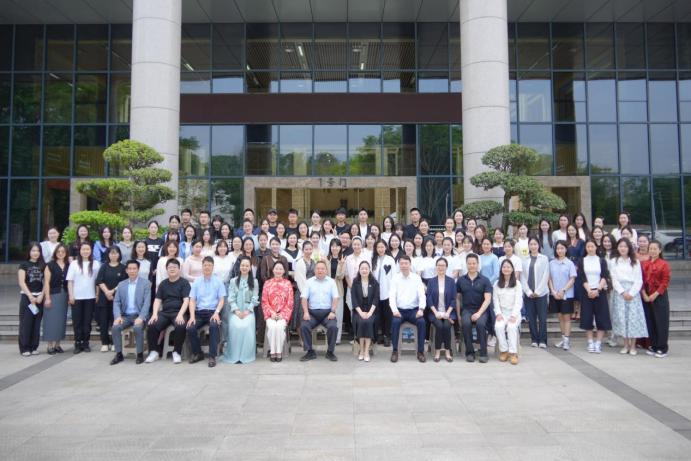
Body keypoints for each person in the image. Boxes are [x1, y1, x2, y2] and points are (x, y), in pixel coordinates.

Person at [144, 259, 190, 364]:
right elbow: (157, 300)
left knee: (180, 325)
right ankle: (154, 351)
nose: (172, 269)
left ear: (179, 269)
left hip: (179, 312)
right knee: (152, 324)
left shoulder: (184, 283)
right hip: (165, 313)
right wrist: (154, 314)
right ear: (166, 269)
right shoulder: (163, 284)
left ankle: (177, 352)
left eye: (174, 267)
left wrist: (180, 314)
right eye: (170, 267)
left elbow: (186, 300)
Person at [110, 260, 151, 365]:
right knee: (115, 327)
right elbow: (116, 302)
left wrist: (141, 317)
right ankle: (119, 354)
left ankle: (140, 354)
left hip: (139, 315)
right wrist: (117, 316)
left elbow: (147, 303)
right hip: (125, 316)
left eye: (134, 269)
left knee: (137, 327)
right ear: (126, 270)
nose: (132, 271)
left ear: (138, 270)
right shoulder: (121, 284)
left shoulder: (145, 283)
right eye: (130, 269)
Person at [187, 257, 226, 367]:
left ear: (213, 267)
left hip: (213, 312)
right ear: (202, 266)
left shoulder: (218, 281)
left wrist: (217, 312)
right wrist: (192, 316)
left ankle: (212, 356)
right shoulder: (197, 281)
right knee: (190, 327)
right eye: (205, 265)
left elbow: (222, 299)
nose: (207, 267)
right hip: (199, 312)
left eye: (209, 265)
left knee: (214, 326)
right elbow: (192, 300)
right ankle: (198, 353)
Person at [610, 238, 647, 355]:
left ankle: (633, 346)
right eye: (620, 246)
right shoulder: (614, 261)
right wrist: (622, 292)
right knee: (622, 319)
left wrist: (631, 293)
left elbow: (639, 280)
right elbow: (614, 279)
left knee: (633, 319)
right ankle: (625, 345)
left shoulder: (635, 261)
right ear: (617, 248)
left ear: (629, 248)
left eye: (625, 246)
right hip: (620, 293)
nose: (623, 248)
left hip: (633, 293)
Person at [299, 261, 340, 362]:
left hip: (327, 313)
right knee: (304, 326)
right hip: (312, 313)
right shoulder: (309, 282)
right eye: (318, 268)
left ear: (326, 270)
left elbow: (335, 298)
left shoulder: (331, 282)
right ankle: (310, 352)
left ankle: (330, 352)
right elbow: (304, 298)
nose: (320, 270)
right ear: (314, 270)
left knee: (333, 327)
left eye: (322, 269)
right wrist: (306, 312)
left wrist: (333, 311)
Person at [389, 255, 427, 363]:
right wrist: (394, 310)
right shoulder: (395, 278)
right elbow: (392, 296)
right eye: (401, 263)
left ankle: (420, 351)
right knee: (395, 323)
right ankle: (395, 351)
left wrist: (421, 309)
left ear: (410, 265)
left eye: (406, 263)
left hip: (413, 311)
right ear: (399, 265)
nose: (404, 265)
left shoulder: (416, 278)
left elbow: (422, 295)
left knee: (422, 322)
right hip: (399, 311)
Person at [456, 254, 492, 363]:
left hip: (481, 310)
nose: (472, 265)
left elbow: (487, 300)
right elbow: (457, 299)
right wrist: (458, 315)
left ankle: (483, 353)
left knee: (481, 324)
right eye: (469, 263)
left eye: (474, 263)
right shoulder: (461, 280)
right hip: (467, 310)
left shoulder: (485, 280)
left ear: (477, 264)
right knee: (466, 323)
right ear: (466, 264)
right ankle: (470, 352)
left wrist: (479, 313)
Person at [578, 239, 612, 354]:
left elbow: (604, 275)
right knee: (587, 317)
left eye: (592, 246)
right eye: (588, 246)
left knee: (601, 317)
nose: (590, 248)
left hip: (600, 292)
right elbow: (582, 277)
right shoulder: (582, 260)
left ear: (596, 247)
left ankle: (598, 342)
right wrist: (589, 290)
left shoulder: (601, 260)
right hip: (586, 291)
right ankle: (590, 342)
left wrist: (598, 289)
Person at [66, 242, 100, 353]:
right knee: (77, 322)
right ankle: (77, 343)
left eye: (87, 249)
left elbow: (98, 281)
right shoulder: (74, 264)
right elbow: (70, 281)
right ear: (80, 251)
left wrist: (97, 294)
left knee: (87, 321)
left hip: (90, 297)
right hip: (76, 297)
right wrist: (71, 295)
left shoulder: (95, 264)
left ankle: (86, 343)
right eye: (83, 249)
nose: (85, 251)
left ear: (91, 251)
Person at [224, 256, 258, 364]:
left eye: (247, 266)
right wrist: (237, 311)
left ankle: (246, 355)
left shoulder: (254, 282)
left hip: (248, 311)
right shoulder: (233, 281)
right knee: (236, 326)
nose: (244, 267)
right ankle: (235, 355)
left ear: (250, 268)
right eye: (242, 265)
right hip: (236, 311)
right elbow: (231, 298)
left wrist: (248, 311)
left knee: (246, 326)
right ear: (239, 267)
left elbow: (255, 298)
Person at [641, 240, 671, 358]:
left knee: (661, 322)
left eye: (655, 249)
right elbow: (641, 280)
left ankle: (662, 348)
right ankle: (653, 345)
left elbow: (665, 282)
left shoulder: (664, 264)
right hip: (646, 296)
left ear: (660, 250)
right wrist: (644, 294)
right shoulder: (644, 263)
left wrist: (655, 294)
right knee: (651, 321)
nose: (652, 251)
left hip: (659, 296)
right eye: (650, 248)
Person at [95, 246, 127, 352]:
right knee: (103, 321)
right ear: (108, 255)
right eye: (111, 253)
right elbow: (99, 281)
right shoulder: (104, 266)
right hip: (104, 298)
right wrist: (107, 292)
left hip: (117, 298)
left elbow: (123, 282)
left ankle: (114, 342)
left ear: (119, 254)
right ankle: (104, 343)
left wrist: (112, 291)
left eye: (116, 253)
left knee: (115, 321)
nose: (114, 255)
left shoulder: (123, 267)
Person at [521, 237, 550, 348]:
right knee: (531, 318)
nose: (533, 246)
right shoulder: (524, 259)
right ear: (528, 246)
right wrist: (528, 291)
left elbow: (545, 275)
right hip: (529, 293)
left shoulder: (544, 258)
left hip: (541, 293)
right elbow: (523, 277)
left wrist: (538, 291)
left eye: (535, 244)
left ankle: (542, 340)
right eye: (531, 244)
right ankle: (534, 339)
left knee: (542, 318)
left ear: (538, 245)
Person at [262, 261, 294, 362]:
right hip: (270, 314)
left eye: (280, 269)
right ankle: (273, 351)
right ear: (273, 270)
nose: (278, 271)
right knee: (272, 327)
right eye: (276, 268)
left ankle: (278, 351)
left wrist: (282, 314)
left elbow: (290, 302)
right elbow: (264, 301)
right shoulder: (267, 283)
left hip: (283, 314)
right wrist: (271, 313)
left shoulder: (288, 284)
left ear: (284, 271)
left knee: (279, 327)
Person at [426, 258, 457, 362]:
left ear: (446, 267)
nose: (441, 267)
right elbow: (429, 299)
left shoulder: (451, 281)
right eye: (439, 265)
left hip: (449, 312)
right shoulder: (431, 281)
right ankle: (437, 351)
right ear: (436, 267)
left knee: (447, 326)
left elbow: (453, 299)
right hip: (434, 312)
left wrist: (448, 313)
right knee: (439, 326)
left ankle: (448, 351)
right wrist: (436, 313)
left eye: (443, 265)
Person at [549, 241, 577, 351]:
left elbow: (572, 279)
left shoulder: (570, 263)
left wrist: (563, 290)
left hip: (567, 295)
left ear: (566, 249)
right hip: (555, 294)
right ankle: (563, 338)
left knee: (566, 318)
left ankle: (567, 340)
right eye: (558, 248)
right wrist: (553, 291)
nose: (560, 250)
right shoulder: (552, 263)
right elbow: (549, 278)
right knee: (560, 317)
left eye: (562, 248)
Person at [493, 259, 522, 365]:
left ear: (512, 269)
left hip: (514, 313)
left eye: (508, 267)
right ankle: (504, 350)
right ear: (501, 269)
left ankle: (513, 353)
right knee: (498, 327)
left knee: (511, 327)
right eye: (504, 267)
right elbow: (495, 300)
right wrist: (498, 313)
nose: (506, 269)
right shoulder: (497, 284)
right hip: (502, 313)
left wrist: (514, 315)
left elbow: (518, 301)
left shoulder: (517, 284)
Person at [18, 243, 45, 356]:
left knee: (36, 324)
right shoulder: (23, 265)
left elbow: (46, 282)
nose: (35, 253)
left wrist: (41, 295)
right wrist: (30, 296)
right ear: (29, 252)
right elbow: (21, 282)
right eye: (33, 250)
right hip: (27, 297)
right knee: (26, 323)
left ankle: (34, 347)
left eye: (38, 251)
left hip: (39, 299)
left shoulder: (43, 265)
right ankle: (25, 348)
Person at [43, 243, 69, 354]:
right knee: (50, 321)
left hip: (64, 295)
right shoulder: (50, 265)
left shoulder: (68, 265)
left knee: (61, 321)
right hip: (53, 295)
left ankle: (57, 345)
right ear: (55, 253)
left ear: (66, 253)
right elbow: (46, 282)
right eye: (58, 251)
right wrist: (47, 298)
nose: (61, 253)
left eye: (63, 251)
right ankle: (50, 346)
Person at [351, 261, 379, 362]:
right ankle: (361, 350)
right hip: (359, 310)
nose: (364, 270)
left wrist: (370, 313)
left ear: (369, 270)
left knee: (368, 322)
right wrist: (361, 313)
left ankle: (366, 351)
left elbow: (376, 299)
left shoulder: (374, 282)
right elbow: (354, 299)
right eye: (362, 268)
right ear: (359, 270)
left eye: (366, 268)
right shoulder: (355, 282)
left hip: (371, 310)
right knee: (361, 322)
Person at [371, 239, 395, 347]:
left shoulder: (390, 259)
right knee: (378, 315)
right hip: (376, 292)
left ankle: (387, 336)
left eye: (382, 247)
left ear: (386, 247)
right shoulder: (373, 259)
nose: (380, 249)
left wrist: (393, 291)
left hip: (387, 291)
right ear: (376, 249)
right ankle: (379, 335)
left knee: (387, 315)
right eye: (378, 247)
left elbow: (394, 276)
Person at [326, 238, 347, 344]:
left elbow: (340, 276)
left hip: (338, 291)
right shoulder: (326, 259)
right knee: (328, 315)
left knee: (338, 315)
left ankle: (337, 338)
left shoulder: (343, 260)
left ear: (340, 248)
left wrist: (341, 264)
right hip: (327, 291)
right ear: (330, 247)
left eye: (337, 246)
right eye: (333, 246)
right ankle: (329, 337)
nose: (335, 248)